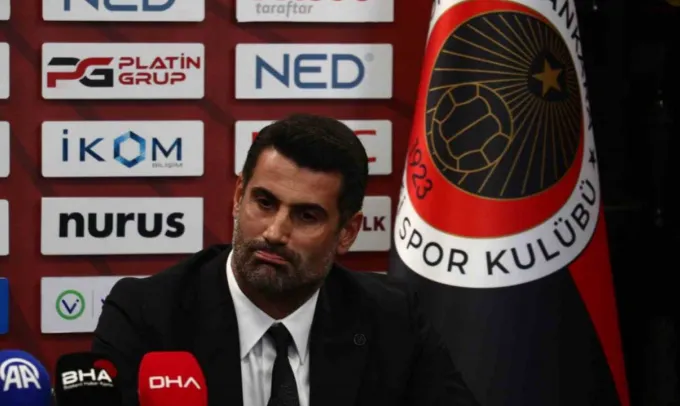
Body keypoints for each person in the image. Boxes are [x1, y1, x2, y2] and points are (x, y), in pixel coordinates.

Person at [92, 114, 479, 406]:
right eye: (264, 202)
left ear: (348, 232)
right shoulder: (147, 315)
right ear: (238, 197)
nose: (275, 232)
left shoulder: (390, 318)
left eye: (306, 216)